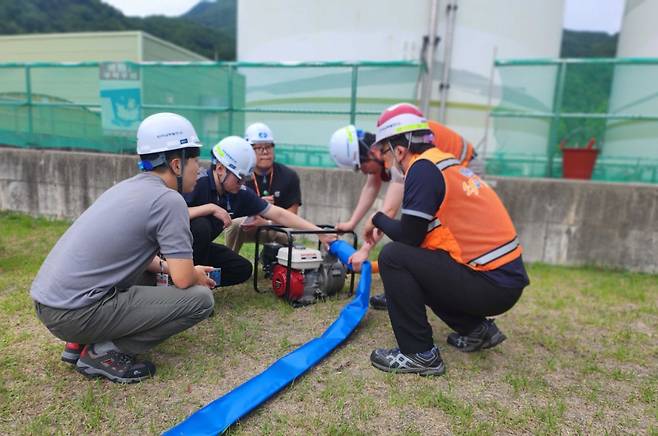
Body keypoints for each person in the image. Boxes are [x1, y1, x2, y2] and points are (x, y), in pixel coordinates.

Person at [30, 112, 217, 384]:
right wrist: (197, 275)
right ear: (177, 165)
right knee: (200, 300)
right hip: (73, 313)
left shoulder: (126, 188)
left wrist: (166, 266)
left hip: (50, 303)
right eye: (195, 162)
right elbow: (184, 278)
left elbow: (129, 256)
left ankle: (79, 343)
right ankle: (104, 353)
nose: (198, 172)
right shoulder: (169, 200)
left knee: (151, 274)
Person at [362, 108, 529, 376]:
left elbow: (409, 237)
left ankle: (418, 353)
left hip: (492, 283)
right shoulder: (442, 162)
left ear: (399, 150)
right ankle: (477, 330)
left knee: (394, 256)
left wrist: (378, 218)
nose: (385, 158)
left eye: (384, 150)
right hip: (503, 280)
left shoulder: (422, 170)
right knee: (419, 266)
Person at [328, 103, 477, 310]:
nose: (363, 172)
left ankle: (463, 305)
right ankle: (405, 288)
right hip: (451, 162)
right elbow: (372, 185)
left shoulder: (400, 154)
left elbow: (389, 211)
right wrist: (352, 222)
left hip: (466, 163)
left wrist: (364, 250)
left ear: (370, 153)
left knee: (436, 239)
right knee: (419, 235)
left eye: (359, 167)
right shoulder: (390, 144)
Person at [185, 135, 334, 281]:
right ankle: (183, 279)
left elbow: (279, 214)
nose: (242, 183)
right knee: (201, 225)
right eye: (239, 178)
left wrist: (318, 232)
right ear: (220, 169)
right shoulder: (196, 184)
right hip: (174, 251)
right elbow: (168, 213)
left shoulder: (239, 193)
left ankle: (203, 280)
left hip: (201, 250)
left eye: (245, 178)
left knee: (241, 269)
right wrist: (210, 208)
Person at [224, 122, 302, 254]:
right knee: (235, 225)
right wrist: (257, 208)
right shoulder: (240, 174)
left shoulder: (289, 175)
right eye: (259, 148)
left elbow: (292, 213)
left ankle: (279, 266)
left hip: (275, 227)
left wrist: (268, 221)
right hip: (248, 225)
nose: (265, 152)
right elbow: (231, 211)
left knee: (290, 235)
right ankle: (228, 261)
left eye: (268, 147)